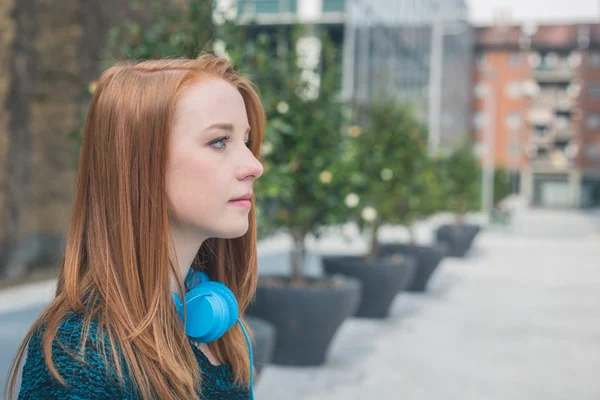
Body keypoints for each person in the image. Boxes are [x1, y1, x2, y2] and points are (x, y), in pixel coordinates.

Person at [4, 53, 265, 400]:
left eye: (246, 142)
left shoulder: (216, 329)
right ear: (141, 163)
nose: (253, 165)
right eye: (219, 141)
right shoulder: (81, 355)